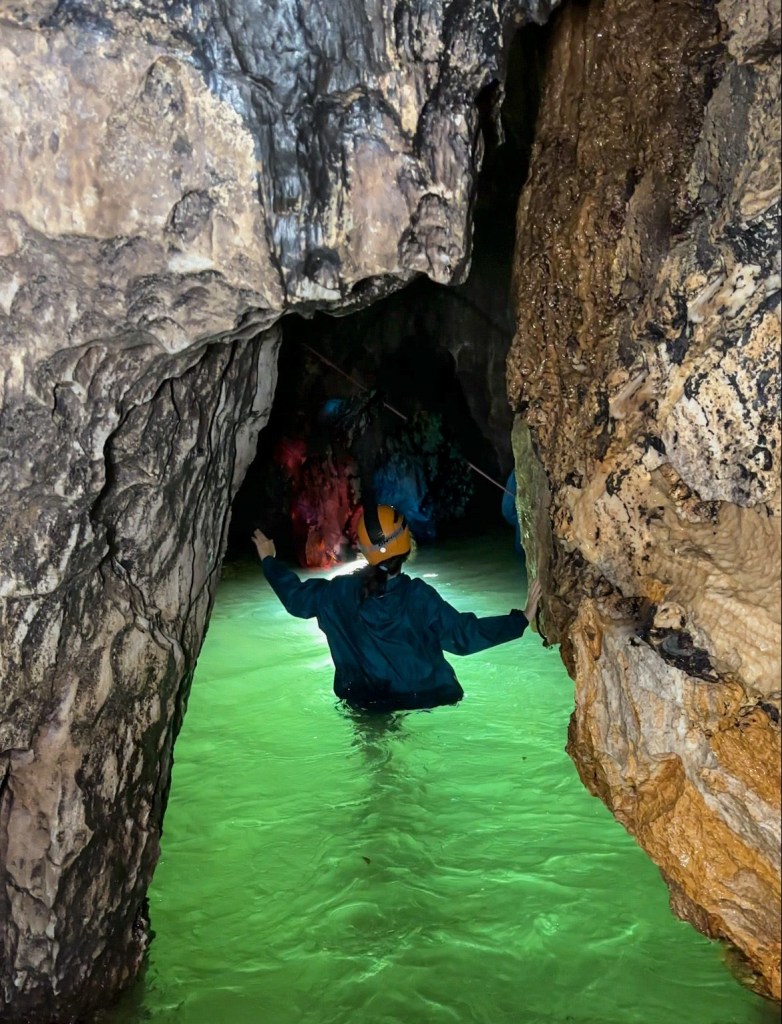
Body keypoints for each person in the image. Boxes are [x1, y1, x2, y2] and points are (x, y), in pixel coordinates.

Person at [251, 504, 542, 714]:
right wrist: (521, 619)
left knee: (375, 752)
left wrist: (269, 561)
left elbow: (296, 599)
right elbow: (464, 636)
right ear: (407, 547)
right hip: (422, 698)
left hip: (364, 700)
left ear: (363, 552)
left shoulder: (338, 593)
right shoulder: (419, 598)